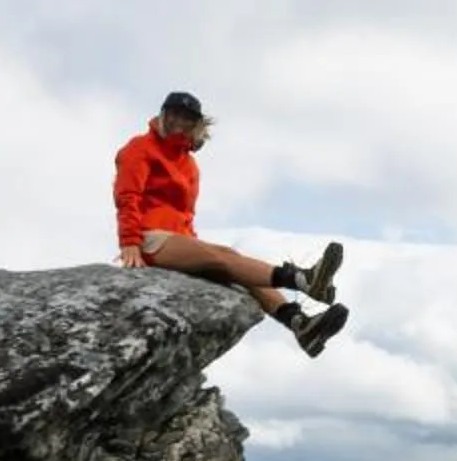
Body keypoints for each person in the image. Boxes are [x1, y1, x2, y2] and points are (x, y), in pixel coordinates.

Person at [114, 92, 350, 356]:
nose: (179, 122)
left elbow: (184, 215)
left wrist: (193, 247)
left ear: (196, 125)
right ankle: (303, 279)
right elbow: (127, 196)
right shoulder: (139, 148)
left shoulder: (189, 165)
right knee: (223, 257)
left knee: (235, 264)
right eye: (174, 114)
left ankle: (300, 325)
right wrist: (130, 243)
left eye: (187, 118)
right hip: (149, 239)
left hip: (179, 239)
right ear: (163, 114)